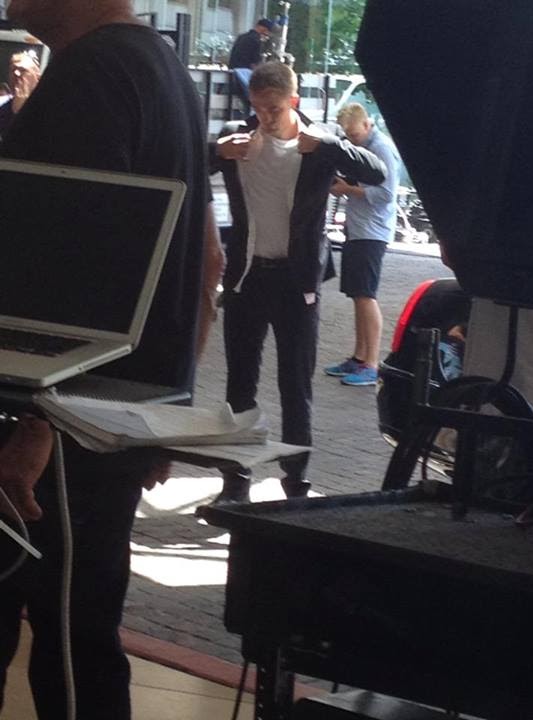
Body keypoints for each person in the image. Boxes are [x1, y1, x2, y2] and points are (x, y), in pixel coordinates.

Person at [0, 1, 222, 718]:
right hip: (106, 421)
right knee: (80, 634)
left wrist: (33, 428)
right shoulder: (163, 70)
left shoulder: (90, 76)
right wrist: (161, 411)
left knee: (71, 647)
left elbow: (59, 275)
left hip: (55, 432)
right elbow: (208, 263)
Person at [209, 62, 386, 505]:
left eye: (273, 108)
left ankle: (295, 486)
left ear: (293, 101)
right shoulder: (237, 137)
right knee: (239, 386)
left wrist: (329, 145)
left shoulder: (320, 142)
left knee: (296, 386)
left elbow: (378, 173)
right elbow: (184, 164)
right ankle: (235, 482)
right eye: (257, 108)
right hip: (246, 279)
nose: (265, 117)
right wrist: (216, 151)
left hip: (297, 282)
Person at [324, 102, 400, 386]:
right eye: (349, 136)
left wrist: (348, 190)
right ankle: (359, 358)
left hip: (372, 231)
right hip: (358, 229)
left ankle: (371, 364)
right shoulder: (361, 146)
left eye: (355, 135)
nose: (353, 140)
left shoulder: (382, 149)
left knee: (366, 295)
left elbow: (387, 194)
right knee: (357, 294)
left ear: (367, 125)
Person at [228, 18, 274, 116]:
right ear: (264, 29)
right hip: (244, 75)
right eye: (267, 33)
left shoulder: (241, 37)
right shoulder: (256, 41)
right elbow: (255, 64)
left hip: (232, 74)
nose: (266, 36)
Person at [0, 50, 41, 139]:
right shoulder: (2, 106)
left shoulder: (47, 106)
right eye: (13, 70)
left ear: (37, 77)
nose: (16, 73)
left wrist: (20, 111)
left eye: (23, 70)